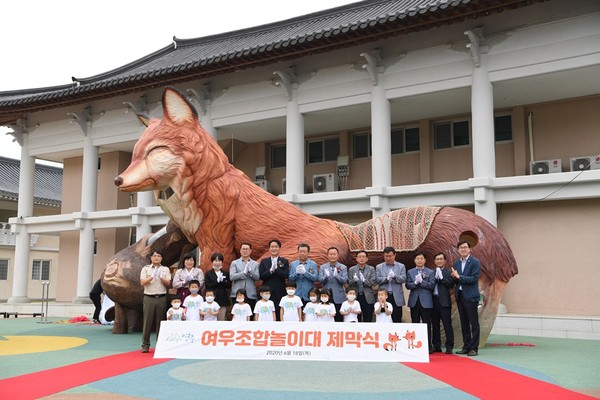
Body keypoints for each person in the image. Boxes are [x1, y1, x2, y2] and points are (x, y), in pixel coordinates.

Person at [451, 240, 481, 356]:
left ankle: (474, 348)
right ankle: (466, 346)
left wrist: (459, 276)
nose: (463, 249)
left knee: (473, 323)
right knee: (463, 322)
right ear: (458, 250)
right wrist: (453, 276)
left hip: (471, 296)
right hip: (460, 295)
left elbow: (474, 278)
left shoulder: (475, 262)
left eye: (465, 247)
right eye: (461, 248)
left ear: (469, 249)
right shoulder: (456, 263)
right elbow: (456, 280)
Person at [140, 251, 171, 353]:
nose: (156, 258)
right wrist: (152, 276)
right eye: (154, 256)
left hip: (161, 297)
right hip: (149, 297)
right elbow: (142, 282)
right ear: (151, 258)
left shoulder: (165, 269)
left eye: (159, 256)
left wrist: (161, 277)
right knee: (147, 322)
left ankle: (160, 344)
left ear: (161, 258)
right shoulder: (146, 268)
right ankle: (145, 344)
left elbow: (168, 283)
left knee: (160, 322)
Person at [406, 251, 436, 353]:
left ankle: (428, 346)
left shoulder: (430, 272)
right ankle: (415, 345)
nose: (419, 260)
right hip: (414, 301)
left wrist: (422, 282)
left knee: (427, 323)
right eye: (417, 258)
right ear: (414, 260)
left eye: (421, 258)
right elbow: (408, 285)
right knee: (415, 324)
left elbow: (431, 285)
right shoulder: (410, 272)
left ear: (425, 260)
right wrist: (415, 283)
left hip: (426, 301)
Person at [258, 239, 290, 321]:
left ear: (279, 248)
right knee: (266, 311)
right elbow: (261, 276)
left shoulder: (284, 261)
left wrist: (277, 269)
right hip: (266, 291)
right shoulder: (264, 261)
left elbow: (286, 275)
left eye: (276, 247)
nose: (274, 249)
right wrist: (270, 271)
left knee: (279, 310)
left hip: (280, 290)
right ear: (269, 249)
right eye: (272, 247)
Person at [431, 252, 455, 354]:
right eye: (437, 259)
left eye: (441, 259)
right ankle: (436, 345)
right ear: (434, 261)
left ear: (444, 261)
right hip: (433, 301)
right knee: (435, 325)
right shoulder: (431, 272)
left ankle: (449, 346)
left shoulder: (448, 272)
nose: (439, 261)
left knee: (447, 324)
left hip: (444, 302)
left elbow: (451, 284)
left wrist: (441, 279)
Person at [376, 246, 406, 323]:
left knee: (397, 318)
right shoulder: (379, 267)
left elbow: (403, 279)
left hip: (396, 296)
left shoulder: (401, 266)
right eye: (386, 256)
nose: (388, 258)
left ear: (394, 255)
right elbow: (377, 279)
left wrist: (395, 277)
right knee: (383, 318)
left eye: (390, 256)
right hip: (384, 296)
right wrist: (386, 278)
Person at [318, 246, 348, 322]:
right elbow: (320, 280)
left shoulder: (343, 267)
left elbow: (345, 280)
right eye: (330, 254)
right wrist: (326, 276)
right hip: (326, 295)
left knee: (338, 318)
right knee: (326, 317)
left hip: (339, 296)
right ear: (327, 255)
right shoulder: (323, 267)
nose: (332, 256)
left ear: (338, 255)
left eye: (334, 254)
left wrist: (337, 276)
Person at [347, 250, 377, 322]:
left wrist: (364, 281)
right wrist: (355, 280)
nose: (361, 258)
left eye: (363, 257)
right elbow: (349, 283)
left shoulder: (371, 269)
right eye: (359, 257)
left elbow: (373, 282)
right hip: (356, 297)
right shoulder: (352, 269)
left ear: (367, 258)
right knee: (356, 318)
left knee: (368, 318)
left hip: (368, 297)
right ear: (356, 258)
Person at [229, 242, 260, 311]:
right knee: (237, 314)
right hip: (237, 293)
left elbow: (258, 277)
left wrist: (251, 271)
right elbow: (232, 277)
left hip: (250, 293)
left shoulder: (255, 264)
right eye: (243, 249)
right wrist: (243, 273)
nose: (245, 251)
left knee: (250, 315)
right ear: (240, 250)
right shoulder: (234, 263)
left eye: (247, 249)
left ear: (250, 251)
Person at [204, 252, 231, 321]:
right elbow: (208, 286)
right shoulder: (208, 274)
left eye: (219, 261)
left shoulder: (225, 273)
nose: (217, 263)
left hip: (222, 299)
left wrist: (223, 281)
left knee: (221, 319)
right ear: (212, 262)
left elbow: (229, 286)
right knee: (211, 318)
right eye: (215, 261)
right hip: (211, 299)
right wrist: (217, 281)